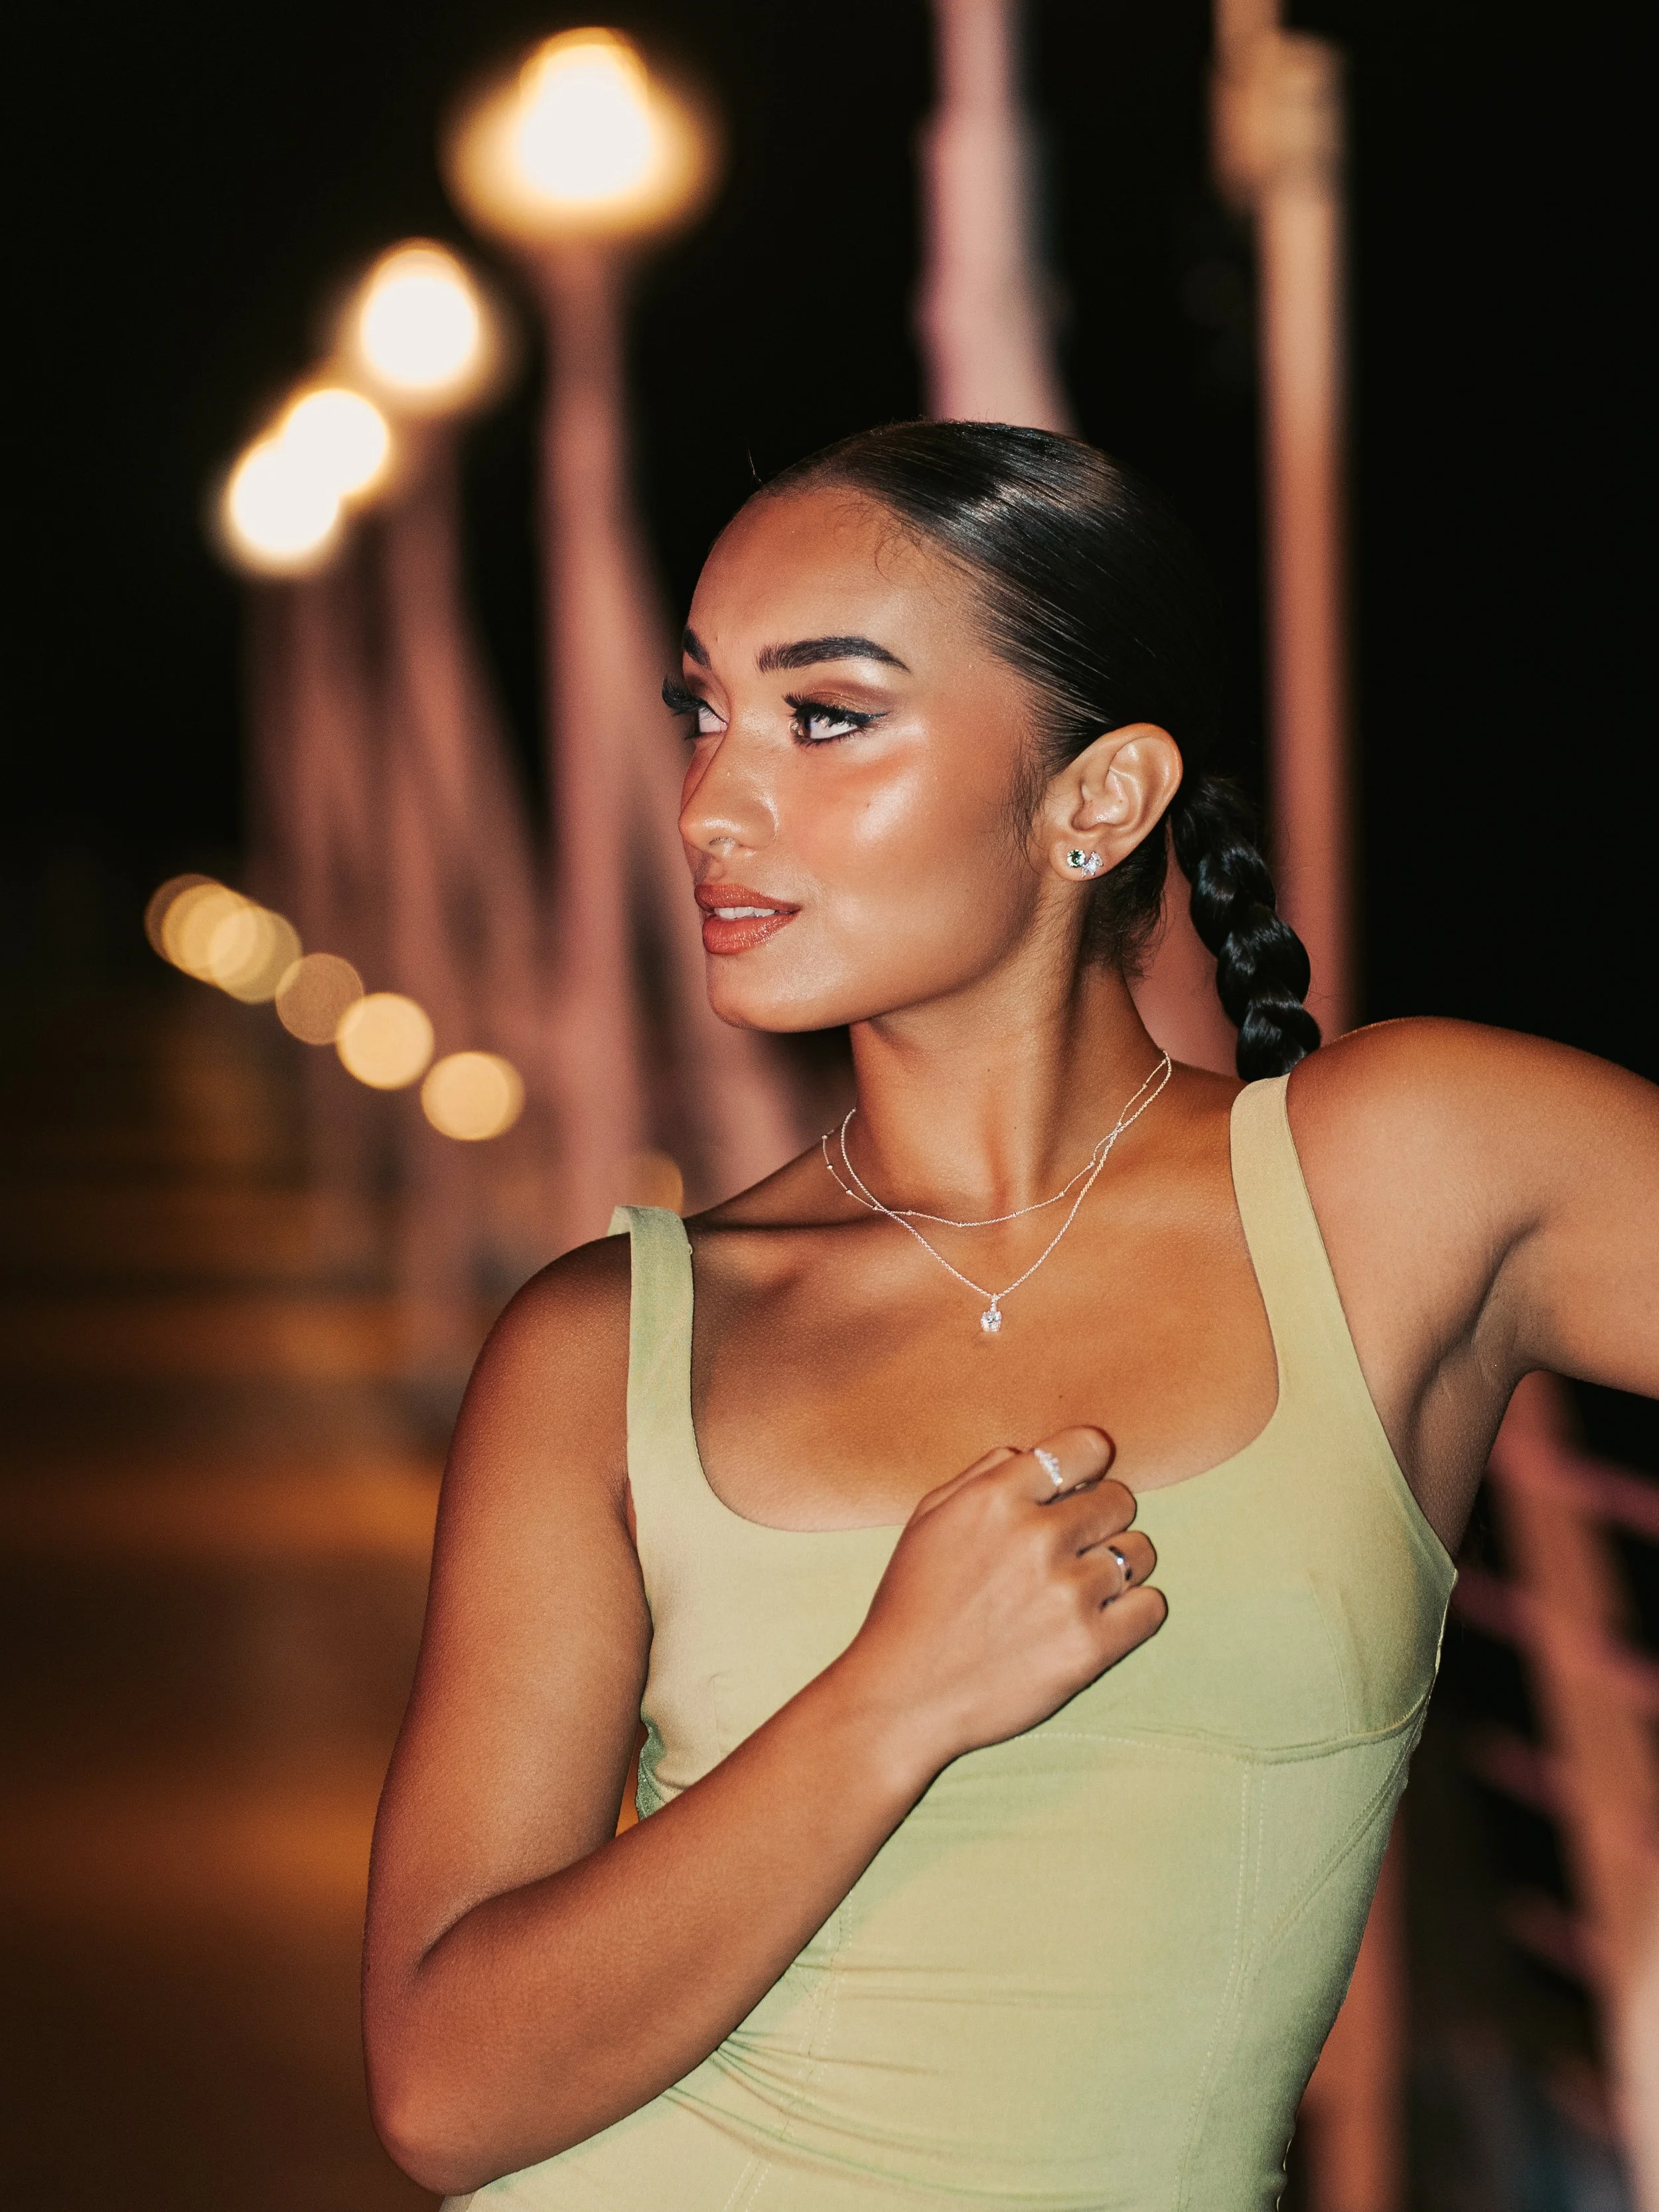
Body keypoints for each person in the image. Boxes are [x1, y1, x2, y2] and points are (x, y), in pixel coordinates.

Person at [362, 423, 1659, 2209]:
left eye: (821, 718)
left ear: (1096, 798)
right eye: (704, 712)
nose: (708, 806)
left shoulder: (1399, 1178)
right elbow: (445, 2086)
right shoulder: (613, 1338)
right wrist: (888, 1700)